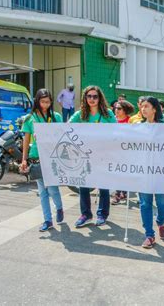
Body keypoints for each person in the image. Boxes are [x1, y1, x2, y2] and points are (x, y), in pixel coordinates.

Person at [69, 86, 117, 227]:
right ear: (85, 98)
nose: (92, 99)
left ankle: (102, 215)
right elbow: (65, 127)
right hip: (85, 156)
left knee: (103, 186)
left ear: (99, 98)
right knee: (84, 186)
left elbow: (117, 131)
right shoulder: (80, 115)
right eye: (89, 96)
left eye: (95, 96)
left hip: (103, 155)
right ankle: (86, 214)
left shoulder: (107, 114)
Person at [20, 89, 64, 232]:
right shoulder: (30, 118)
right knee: (42, 191)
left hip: (52, 158)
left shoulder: (56, 116)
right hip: (36, 157)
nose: (45, 105)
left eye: (48, 102)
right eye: (43, 102)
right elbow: (26, 140)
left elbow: (62, 136)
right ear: (37, 101)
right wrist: (24, 159)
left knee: (52, 188)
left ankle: (59, 208)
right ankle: (47, 220)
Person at [137, 96, 164, 248]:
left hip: (162, 173)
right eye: (142, 106)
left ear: (155, 109)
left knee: (163, 204)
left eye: (147, 106)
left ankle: (160, 221)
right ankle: (149, 235)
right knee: (145, 204)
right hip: (144, 172)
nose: (143, 109)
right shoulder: (138, 127)